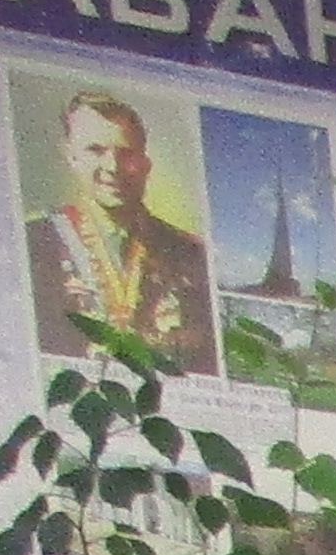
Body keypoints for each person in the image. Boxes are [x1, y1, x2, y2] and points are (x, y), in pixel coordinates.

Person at [24, 87, 209, 362]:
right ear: (71, 157)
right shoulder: (33, 242)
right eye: (95, 150)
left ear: (145, 163)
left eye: (126, 153)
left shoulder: (190, 253)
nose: (112, 165)